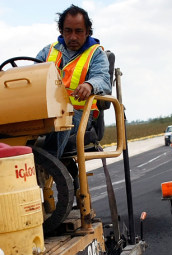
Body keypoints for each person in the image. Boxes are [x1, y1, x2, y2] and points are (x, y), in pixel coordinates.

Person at [36, 5, 111, 158]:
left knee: (63, 120)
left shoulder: (96, 54)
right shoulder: (47, 51)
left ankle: (48, 166)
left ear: (88, 31)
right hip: (47, 113)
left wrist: (90, 85)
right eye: (68, 31)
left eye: (78, 31)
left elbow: (103, 80)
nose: (73, 37)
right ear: (61, 31)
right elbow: (32, 77)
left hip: (79, 115)